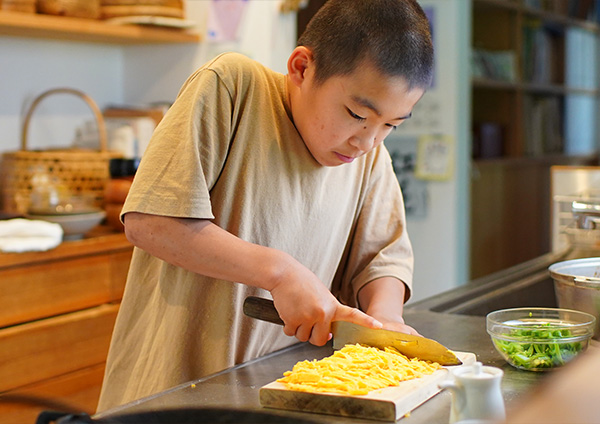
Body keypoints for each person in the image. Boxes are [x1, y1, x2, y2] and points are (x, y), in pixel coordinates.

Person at [97, 0, 433, 412]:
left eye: (390, 125)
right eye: (356, 114)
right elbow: (150, 222)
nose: (367, 141)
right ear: (301, 68)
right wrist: (280, 273)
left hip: (281, 394)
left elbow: (382, 259)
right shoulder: (233, 86)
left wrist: (385, 321)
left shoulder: (369, 157)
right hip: (172, 394)